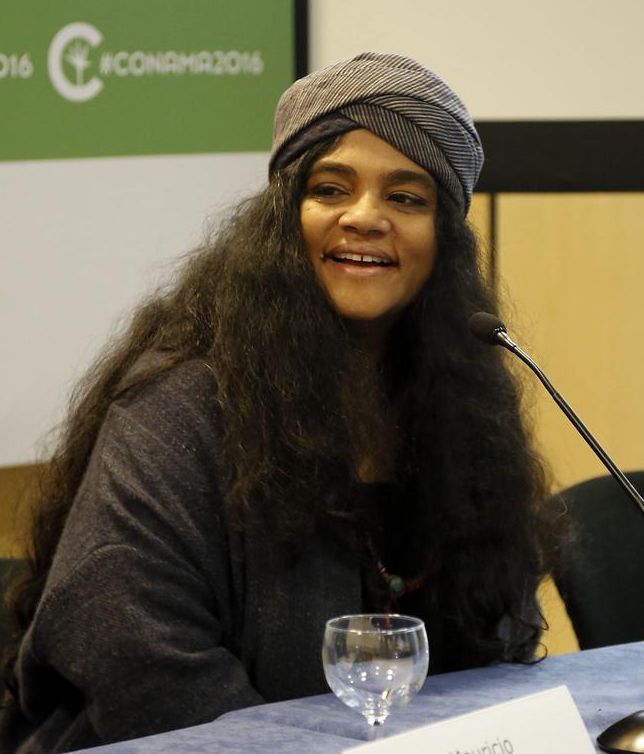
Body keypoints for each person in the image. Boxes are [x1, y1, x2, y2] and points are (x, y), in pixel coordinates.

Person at [0, 52, 559, 753]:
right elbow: (134, 655)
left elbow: (497, 635)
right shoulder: (179, 403)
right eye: (331, 189)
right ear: (284, 218)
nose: (365, 217)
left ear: (443, 238)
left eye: (406, 198)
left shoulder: (464, 410)